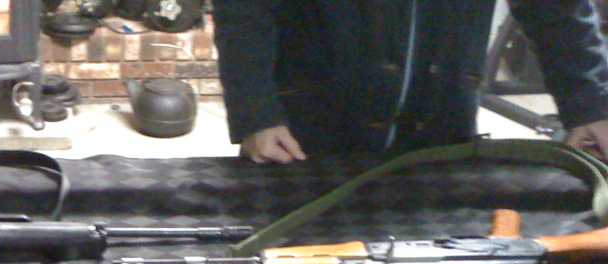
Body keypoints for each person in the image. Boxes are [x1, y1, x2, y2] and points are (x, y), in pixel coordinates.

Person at [212, 1, 608, 163]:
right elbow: (246, 8)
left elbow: (557, 7)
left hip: (440, 123)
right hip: (310, 130)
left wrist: (590, 104)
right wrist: (256, 113)